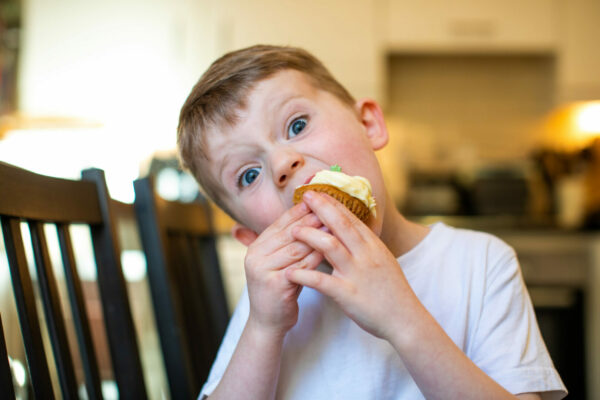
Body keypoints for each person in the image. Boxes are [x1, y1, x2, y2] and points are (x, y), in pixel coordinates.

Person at [177, 44, 567, 400]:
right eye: (249, 174)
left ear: (369, 125)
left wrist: (402, 318)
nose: (282, 164)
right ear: (254, 239)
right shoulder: (270, 301)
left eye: (297, 125)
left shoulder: (481, 264)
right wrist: (263, 329)